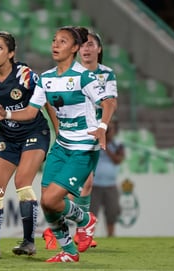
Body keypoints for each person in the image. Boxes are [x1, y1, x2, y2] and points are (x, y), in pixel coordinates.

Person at [0, 26, 117, 262]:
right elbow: (29, 112)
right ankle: (69, 252)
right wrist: (5, 115)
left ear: (75, 48)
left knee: (51, 200)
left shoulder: (84, 76)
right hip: (62, 146)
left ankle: (86, 220)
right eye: (54, 40)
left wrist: (103, 127)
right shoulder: (46, 78)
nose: (55, 45)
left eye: (63, 41)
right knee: (47, 204)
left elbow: (108, 103)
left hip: (83, 148)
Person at [0, 31, 52, 258]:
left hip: (35, 133)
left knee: (22, 183)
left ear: (11, 53)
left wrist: (60, 132)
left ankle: (28, 242)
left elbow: (40, 106)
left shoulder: (25, 75)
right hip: (8, 137)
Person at [43, 29, 119, 249]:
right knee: (56, 191)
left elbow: (110, 102)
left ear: (99, 49)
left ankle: (80, 231)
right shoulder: (60, 74)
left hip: (91, 134)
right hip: (68, 134)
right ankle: (69, 227)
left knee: (86, 183)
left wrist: (103, 126)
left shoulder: (104, 74)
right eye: (83, 45)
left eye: (90, 44)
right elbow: (49, 102)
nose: (86, 48)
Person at [90, 119, 124, 237]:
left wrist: (105, 145)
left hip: (110, 185)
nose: (109, 131)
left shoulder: (118, 144)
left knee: (112, 213)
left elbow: (118, 160)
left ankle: (111, 235)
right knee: (91, 214)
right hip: (94, 185)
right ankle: (89, 238)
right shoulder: (94, 142)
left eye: (111, 129)